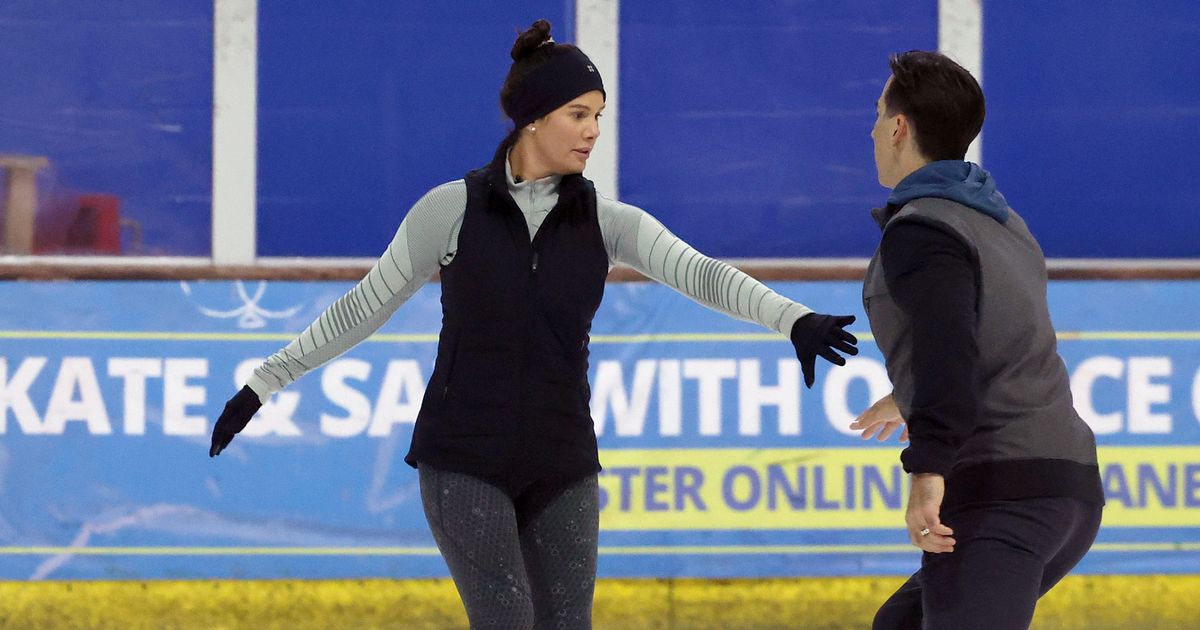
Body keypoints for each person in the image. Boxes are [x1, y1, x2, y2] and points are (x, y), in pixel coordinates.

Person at [208, 20, 858, 630]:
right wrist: (263, 382)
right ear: (533, 118)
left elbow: (702, 273)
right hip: (464, 462)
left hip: (563, 462)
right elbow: (363, 307)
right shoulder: (450, 211)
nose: (593, 130)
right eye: (579, 114)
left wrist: (793, 319)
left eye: (598, 116)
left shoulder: (609, 223)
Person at [851, 50, 1104, 629]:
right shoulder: (1001, 222)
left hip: (1003, 492)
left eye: (876, 114)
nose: (871, 130)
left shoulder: (922, 229)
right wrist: (907, 392)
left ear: (898, 127)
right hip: (1065, 489)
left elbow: (948, 354)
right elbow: (998, 336)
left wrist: (927, 472)